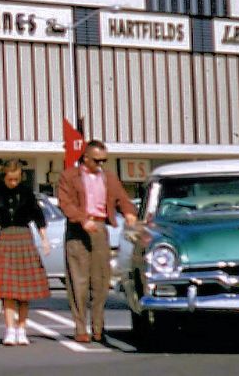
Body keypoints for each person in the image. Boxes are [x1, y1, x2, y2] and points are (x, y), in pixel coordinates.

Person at [57, 139, 137, 344]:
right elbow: (65, 202)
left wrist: (129, 213)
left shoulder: (108, 177)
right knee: (78, 281)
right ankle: (80, 327)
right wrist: (82, 219)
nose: (100, 164)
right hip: (78, 230)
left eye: (104, 161)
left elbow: (122, 199)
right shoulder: (70, 176)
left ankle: (98, 327)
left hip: (100, 228)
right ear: (85, 158)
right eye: (97, 160)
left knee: (100, 281)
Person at [0, 159, 51, 346]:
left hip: (24, 237)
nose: (13, 183)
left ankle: (22, 329)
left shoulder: (27, 192)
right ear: (4, 177)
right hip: (5, 238)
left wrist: (45, 240)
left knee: (24, 291)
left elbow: (38, 216)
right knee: (7, 290)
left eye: (16, 179)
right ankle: (9, 330)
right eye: (10, 179)